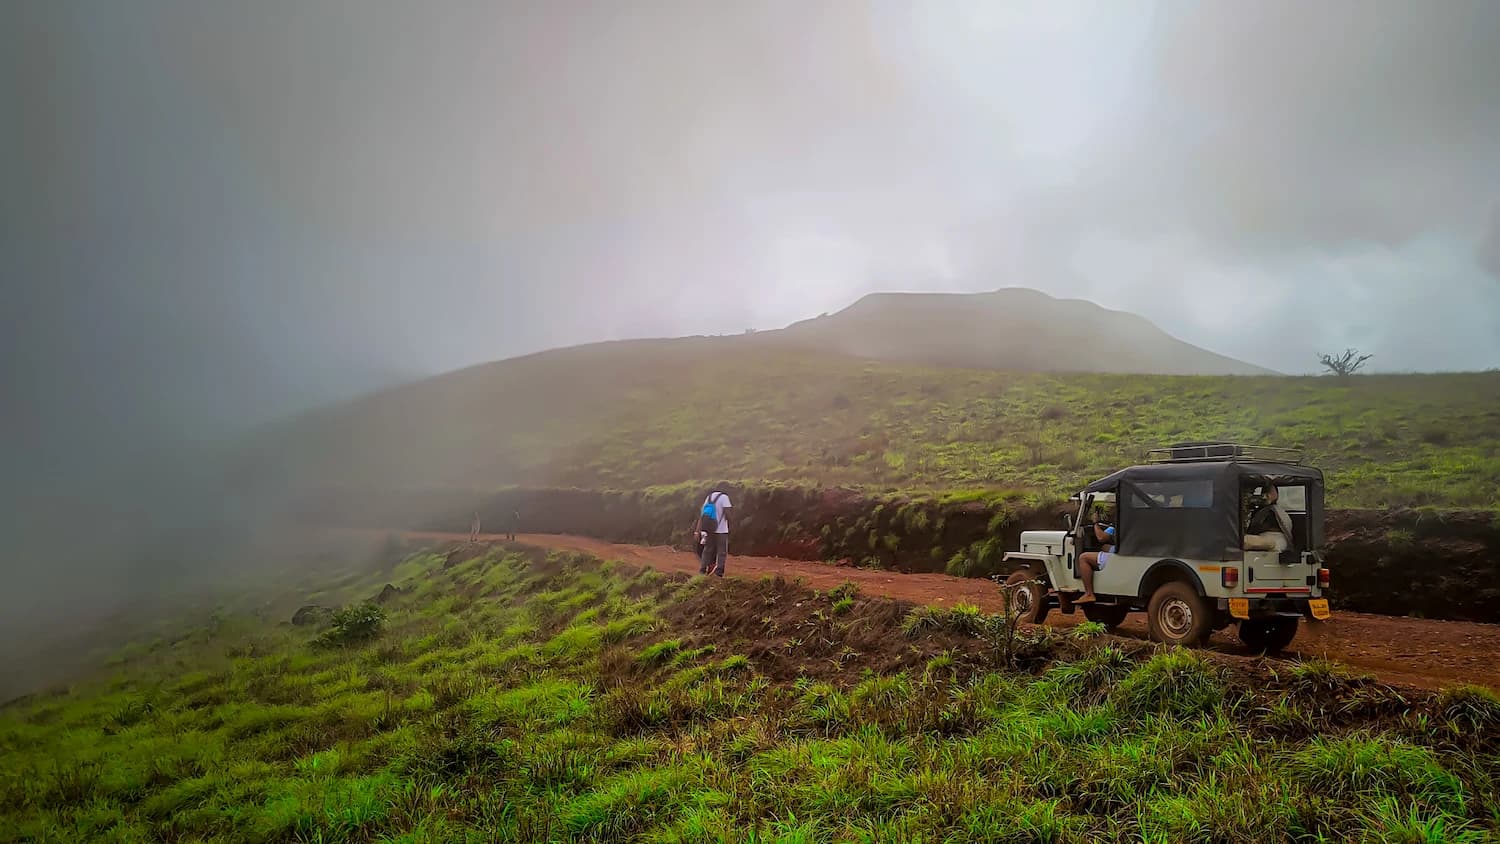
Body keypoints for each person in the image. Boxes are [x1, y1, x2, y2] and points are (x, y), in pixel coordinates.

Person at [1074, 521, 1115, 604]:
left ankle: (1089, 593)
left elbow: (1101, 537)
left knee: (1083, 557)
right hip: (1127, 551)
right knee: (1104, 547)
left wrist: (1095, 523)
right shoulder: (1131, 522)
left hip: (1119, 556)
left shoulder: (1120, 523)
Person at [696, 487, 733, 577]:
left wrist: (697, 531)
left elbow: (702, 515)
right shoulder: (724, 497)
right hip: (721, 530)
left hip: (710, 529)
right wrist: (732, 524)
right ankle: (719, 572)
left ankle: (702, 570)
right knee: (722, 552)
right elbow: (727, 513)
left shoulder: (708, 498)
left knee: (708, 549)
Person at [1244, 485, 1293, 551]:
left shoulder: (1278, 512)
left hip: (1275, 539)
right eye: (1264, 492)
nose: (1265, 496)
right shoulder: (1259, 511)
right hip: (1260, 537)